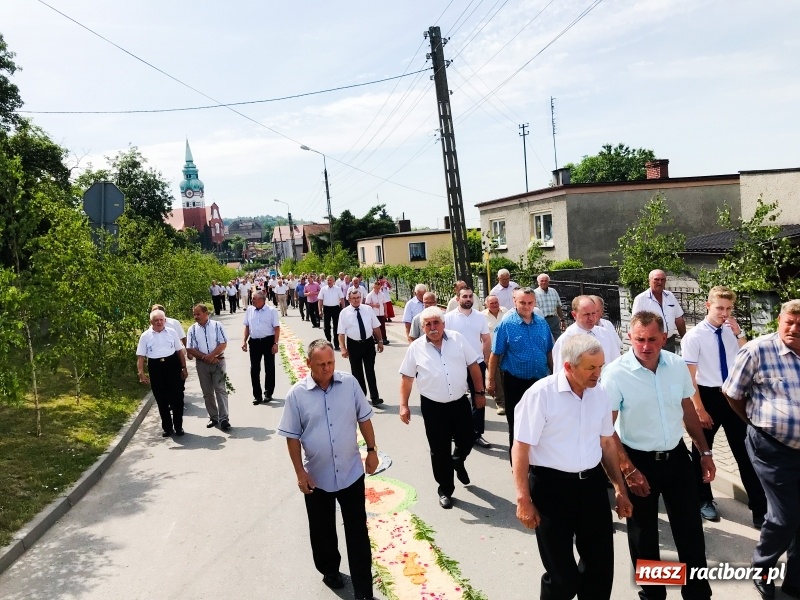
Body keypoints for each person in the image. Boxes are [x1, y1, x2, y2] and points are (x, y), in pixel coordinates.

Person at [601, 311, 714, 600]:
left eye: (652, 339)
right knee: (644, 536)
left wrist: (704, 451)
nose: (646, 346)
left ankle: (697, 594)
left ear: (664, 337)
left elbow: (687, 410)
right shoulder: (615, 373)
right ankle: (653, 596)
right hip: (638, 461)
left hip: (676, 458)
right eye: (639, 339)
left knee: (690, 532)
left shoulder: (676, 365)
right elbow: (605, 430)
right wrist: (628, 469)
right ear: (629, 337)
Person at [513, 335, 632, 600]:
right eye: (591, 368)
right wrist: (523, 499)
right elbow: (520, 447)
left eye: (600, 366)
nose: (598, 373)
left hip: (591, 487)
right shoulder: (541, 395)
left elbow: (607, 443)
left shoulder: (600, 393)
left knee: (599, 571)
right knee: (562, 579)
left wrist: (619, 488)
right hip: (551, 490)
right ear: (568, 366)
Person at [278, 340, 378, 600]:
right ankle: (330, 569)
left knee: (357, 532)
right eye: (321, 364)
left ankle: (364, 590)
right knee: (322, 529)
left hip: (350, 471)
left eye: (331, 362)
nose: (327, 368)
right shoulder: (297, 395)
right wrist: (300, 473)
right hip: (317, 476)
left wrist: (372, 450)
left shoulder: (350, 384)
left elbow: (364, 419)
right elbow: (292, 437)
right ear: (308, 363)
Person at [723, 299, 800, 599]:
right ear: (779, 320)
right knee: (785, 515)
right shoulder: (756, 350)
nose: (793, 328)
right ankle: (762, 568)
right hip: (771, 447)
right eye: (789, 322)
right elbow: (732, 394)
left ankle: (795, 579)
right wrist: (755, 422)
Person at [681, 286, 766, 526]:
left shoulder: (732, 331)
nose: (724, 313)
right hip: (706, 397)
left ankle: (760, 509)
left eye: (729, 308)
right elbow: (689, 378)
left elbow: (749, 356)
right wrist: (699, 409)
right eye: (720, 308)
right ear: (708, 306)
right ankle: (704, 500)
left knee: (746, 452)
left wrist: (739, 334)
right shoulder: (694, 336)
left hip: (732, 395)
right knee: (702, 451)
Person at [399, 307, 485, 509]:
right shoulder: (416, 348)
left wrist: (479, 393)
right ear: (422, 327)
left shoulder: (457, 339)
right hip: (433, 407)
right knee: (439, 450)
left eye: (436, 322)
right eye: (427, 324)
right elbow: (407, 378)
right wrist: (403, 405)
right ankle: (445, 489)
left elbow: (474, 366)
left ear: (443, 324)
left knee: (468, 438)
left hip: (459, 403)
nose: (432, 327)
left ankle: (458, 459)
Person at [487, 287, 554, 460]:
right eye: (522, 302)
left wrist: (555, 375)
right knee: (517, 425)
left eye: (530, 303)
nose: (526, 306)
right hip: (515, 383)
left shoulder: (542, 323)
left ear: (535, 303)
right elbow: (496, 354)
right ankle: (517, 465)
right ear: (514, 301)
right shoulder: (506, 324)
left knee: (541, 423)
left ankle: (536, 463)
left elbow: (549, 351)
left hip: (540, 382)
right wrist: (490, 379)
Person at [444, 287, 492, 449]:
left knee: (479, 397)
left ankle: (477, 434)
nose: (468, 299)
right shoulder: (448, 318)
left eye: (471, 296)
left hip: (476, 363)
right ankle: (456, 432)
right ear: (457, 299)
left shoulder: (480, 317)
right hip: (455, 364)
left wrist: (486, 359)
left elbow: (486, 339)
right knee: (455, 399)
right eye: (465, 296)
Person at [136, 309, 187, 437]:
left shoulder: (172, 332)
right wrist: (141, 373)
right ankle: (167, 427)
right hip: (155, 367)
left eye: (161, 320)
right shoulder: (145, 336)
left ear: (165, 320)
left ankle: (178, 426)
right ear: (151, 322)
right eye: (156, 320)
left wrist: (183, 367)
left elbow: (179, 351)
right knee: (161, 399)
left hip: (172, 365)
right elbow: (141, 356)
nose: (159, 322)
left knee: (177, 397)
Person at [186, 303, 230, 430]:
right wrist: (206, 357)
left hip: (218, 362)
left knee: (220, 389)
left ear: (205, 313)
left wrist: (212, 355)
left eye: (198, 314)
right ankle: (213, 417)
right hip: (202, 364)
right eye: (194, 314)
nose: (196, 316)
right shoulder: (192, 329)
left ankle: (224, 418)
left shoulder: (217, 325)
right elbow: (190, 348)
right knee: (207, 392)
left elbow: (223, 343)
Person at [338, 290, 385, 406]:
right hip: (353, 345)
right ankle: (361, 396)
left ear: (361, 298)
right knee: (357, 372)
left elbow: (376, 327)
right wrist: (343, 348)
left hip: (368, 343)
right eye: (353, 298)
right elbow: (341, 333)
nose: (356, 300)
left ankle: (375, 397)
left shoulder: (368, 309)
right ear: (349, 299)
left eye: (358, 297)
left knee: (370, 370)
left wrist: (380, 341)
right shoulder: (344, 313)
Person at [551, 296, 620, 372]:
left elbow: (616, 362)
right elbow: (560, 372)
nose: (591, 318)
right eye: (586, 314)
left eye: (593, 313)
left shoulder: (604, 333)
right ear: (574, 315)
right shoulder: (565, 340)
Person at [631, 269, 686, 353]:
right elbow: (635, 324)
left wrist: (685, 339)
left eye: (662, 279)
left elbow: (679, 319)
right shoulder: (641, 299)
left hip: (669, 342)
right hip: (652, 343)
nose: (660, 282)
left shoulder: (670, 296)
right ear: (649, 281)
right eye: (656, 279)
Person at [242, 291, 281, 405]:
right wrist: (244, 341)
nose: (252, 300)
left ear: (261, 300)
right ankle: (257, 395)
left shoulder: (271, 311)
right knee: (254, 369)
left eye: (254, 298)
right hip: (254, 342)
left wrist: (275, 343)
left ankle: (268, 393)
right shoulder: (250, 310)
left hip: (268, 341)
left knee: (269, 368)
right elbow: (247, 326)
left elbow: (277, 328)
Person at [481, 295, 507, 415]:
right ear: (486, 304)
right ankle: (501, 403)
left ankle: (510, 400)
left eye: (496, 302)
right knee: (495, 376)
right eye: (492, 303)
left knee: (506, 376)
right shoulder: (482, 316)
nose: (495, 305)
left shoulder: (505, 312)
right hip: (492, 351)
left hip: (506, 349)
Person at [534, 273, 566, 340]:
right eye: (542, 281)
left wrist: (562, 320)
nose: (544, 282)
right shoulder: (534, 293)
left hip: (554, 320)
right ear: (538, 282)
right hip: (541, 320)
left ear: (548, 282)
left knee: (557, 339)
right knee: (544, 340)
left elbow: (558, 307)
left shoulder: (553, 291)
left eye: (546, 281)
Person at [319, 275, 345, 351]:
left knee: (336, 327)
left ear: (333, 281)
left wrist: (343, 309)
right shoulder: (323, 289)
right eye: (328, 280)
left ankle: (336, 344)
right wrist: (320, 310)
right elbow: (320, 300)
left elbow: (342, 299)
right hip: (326, 308)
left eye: (330, 280)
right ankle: (328, 342)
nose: (329, 281)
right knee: (326, 327)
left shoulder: (338, 289)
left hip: (335, 308)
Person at [365, 280, 389, 345]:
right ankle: (376, 338)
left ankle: (384, 338)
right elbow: (366, 304)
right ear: (374, 287)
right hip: (374, 313)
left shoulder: (382, 294)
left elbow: (384, 303)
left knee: (382, 326)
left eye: (379, 288)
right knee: (375, 327)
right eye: (376, 288)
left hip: (381, 313)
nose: (378, 290)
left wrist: (386, 312)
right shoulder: (370, 295)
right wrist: (374, 305)